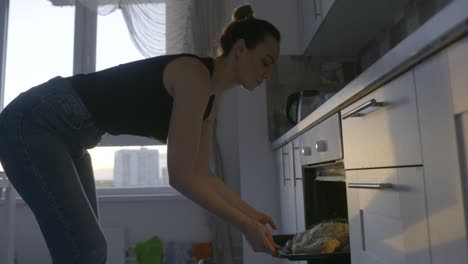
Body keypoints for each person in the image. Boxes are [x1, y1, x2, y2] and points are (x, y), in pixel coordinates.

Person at [0, 4, 281, 263]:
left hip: (71, 139)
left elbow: (202, 174)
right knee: (87, 249)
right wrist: (246, 227)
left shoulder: (208, 99)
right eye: (266, 61)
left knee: (86, 250)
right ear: (241, 49)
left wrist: (253, 216)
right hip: (34, 123)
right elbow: (181, 177)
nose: (268, 74)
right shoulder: (194, 75)